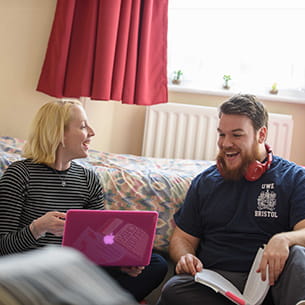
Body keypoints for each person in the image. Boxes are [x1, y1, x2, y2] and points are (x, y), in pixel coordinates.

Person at [0, 100, 167, 302]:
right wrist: (37, 229)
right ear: (58, 134)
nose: (92, 132)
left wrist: (121, 262)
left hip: (77, 270)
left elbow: (102, 242)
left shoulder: (89, 180)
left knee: (156, 263)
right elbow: (2, 247)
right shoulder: (19, 175)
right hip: (34, 271)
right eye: (82, 126)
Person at [156, 94, 305, 305]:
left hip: (271, 282)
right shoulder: (205, 182)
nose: (226, 144)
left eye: (236, 135)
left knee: (299, 254)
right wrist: (185, 257)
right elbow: (183, 239)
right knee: (174, 289)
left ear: (261, 134)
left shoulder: (295, 178)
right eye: (221, 134)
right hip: (218, 283)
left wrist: (285, 239)